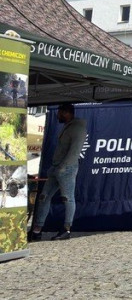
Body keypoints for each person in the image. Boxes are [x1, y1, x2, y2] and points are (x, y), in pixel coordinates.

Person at [30, 103, 87, 240]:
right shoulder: (69, 127)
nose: (58, 116)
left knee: (67, 198)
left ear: (66, 113)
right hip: (57, 167)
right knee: (44, 197)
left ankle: (66, 229)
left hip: (66, 168)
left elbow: (75, 151)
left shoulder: (77, 128)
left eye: (60, 113)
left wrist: (64, 167)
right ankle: (37, 230)